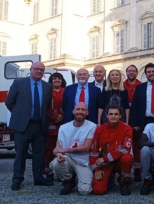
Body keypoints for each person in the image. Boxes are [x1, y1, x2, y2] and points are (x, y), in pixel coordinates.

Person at [6, 62, 53, 190]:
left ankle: (38, 179)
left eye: (42, 70)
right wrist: (20, 115)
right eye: (36, 69)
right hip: (23, 126)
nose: (39, 71)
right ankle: (17, 180)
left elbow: (47, 105)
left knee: (39, 154)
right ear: (31, 70)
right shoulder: (19, 83)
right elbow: (9, 102)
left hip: (39, 125)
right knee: (20, 154)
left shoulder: (47, 86)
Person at [49, 102, 97, 195]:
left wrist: (64, 150)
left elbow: (86, 148)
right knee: (56, 163)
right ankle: (68, 180)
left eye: (83, 110)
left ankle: (77, 177)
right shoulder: (63, 127)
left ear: (87, 113)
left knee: (85, 191)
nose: (80, 112)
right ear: (73, 111)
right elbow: (56, 149)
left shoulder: (92, 126)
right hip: (69, 160)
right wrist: (59, 154)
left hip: (84, 162)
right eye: (78, 109)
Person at [89, 105, 134, 196]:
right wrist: (97, 169)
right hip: (105, 164)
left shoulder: (127, 128)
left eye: (116, 114)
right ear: (107, 115)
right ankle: (109, 178)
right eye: (111, 114)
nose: (113, 116)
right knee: (98, 190)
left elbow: (126, 149)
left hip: (118, 161)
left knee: (127, 158)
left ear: (120, 116)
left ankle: (124, 182)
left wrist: (105, 158)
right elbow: (94, 150)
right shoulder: (99, 130)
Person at [44, 72, 66, 183]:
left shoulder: (66, 91)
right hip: (51, 124)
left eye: (59, 78)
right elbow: (45, 106)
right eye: (54, 78)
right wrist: (54, 116)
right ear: (51, 80)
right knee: (50, 149)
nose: (57, 80)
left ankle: (61, 172)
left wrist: (62, 116)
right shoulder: (47, 91)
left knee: (64, 149)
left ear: (62, 80)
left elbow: (69, 105)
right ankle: (49, 172)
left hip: (64, 124)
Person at [123, 64, 143, 181]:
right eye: (129, 71)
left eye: (133, 71)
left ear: (136, 73)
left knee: (137, 146)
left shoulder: (141, 86)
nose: (131, 73)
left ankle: (137, 170)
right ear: (126, 73)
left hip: (136, 118)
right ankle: (123, 171)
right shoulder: (121, 85)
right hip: (123, 118)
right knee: (123, 144)